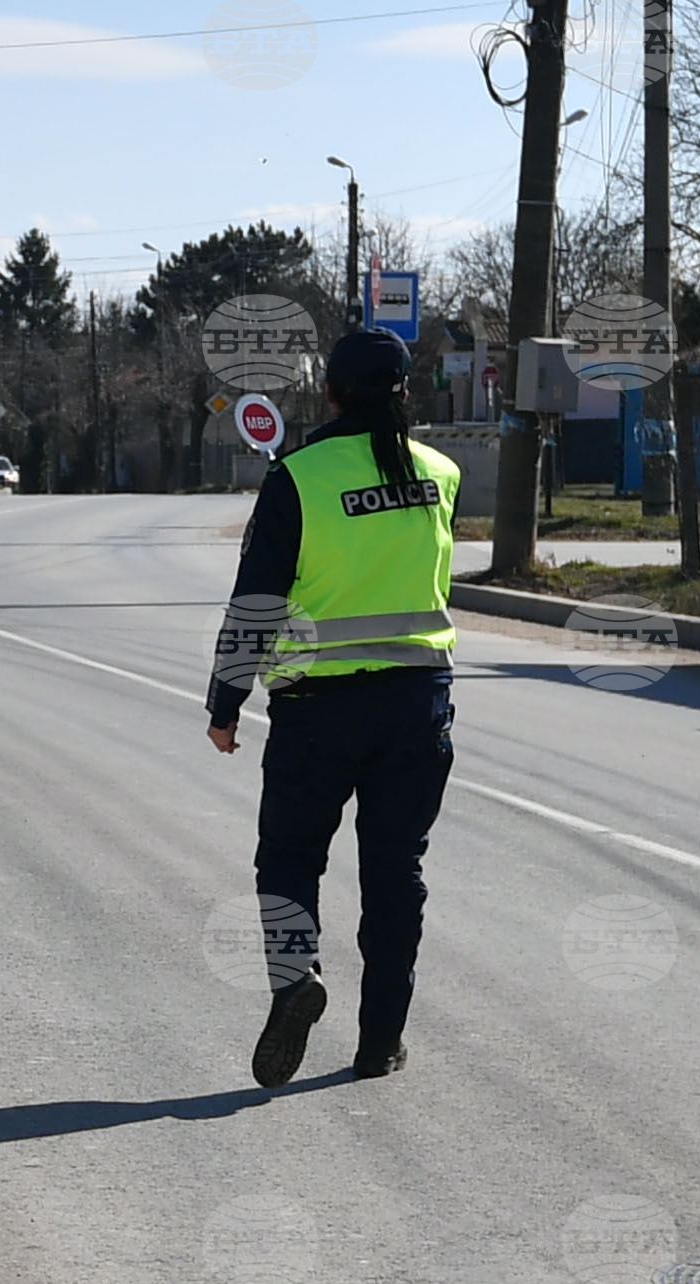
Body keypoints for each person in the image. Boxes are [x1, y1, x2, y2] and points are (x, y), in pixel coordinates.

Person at [205, 327, 459, 1088]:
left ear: (330, 393)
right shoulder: (440, 474)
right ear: (405, 392)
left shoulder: (299, 478)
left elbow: (256, 601)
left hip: (318, 706)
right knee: (395, 874)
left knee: (288, 858)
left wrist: (226, 703)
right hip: (417, 701)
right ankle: (381, 1041)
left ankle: (295, 977)